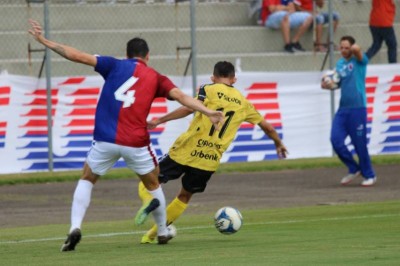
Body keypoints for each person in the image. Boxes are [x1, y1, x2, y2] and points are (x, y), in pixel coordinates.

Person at [28, 19, 224, 251]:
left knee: (87, 179)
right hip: (135, 142)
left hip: (105, 138)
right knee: (153, 183)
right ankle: (162, 231)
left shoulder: (112, 65)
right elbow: (182, 97)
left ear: (127, 54)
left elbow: (77, 55)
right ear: (148, 56)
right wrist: (208, 111)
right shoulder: (156, 77)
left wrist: (43, 40)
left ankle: (74, 227)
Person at [138, 61, 288, 243]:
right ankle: (152, 235)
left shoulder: (208, 88)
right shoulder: (244, 102)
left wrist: (160, 120)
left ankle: (149, 202)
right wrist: (278, 143)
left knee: (149, 180)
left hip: (187, 149)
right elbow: (267, 127)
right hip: (209, 160)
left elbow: (188, 107)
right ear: (234, 79)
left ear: (213, 77)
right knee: (185, 195)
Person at [321, 35, 377, 187]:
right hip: (343, 110)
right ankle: (353, 168)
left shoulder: (359, 61)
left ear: (352, 47)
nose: (344, 50)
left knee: (359, 144)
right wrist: (329, 85)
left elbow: (358, 51)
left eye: (347, 48)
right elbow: (338, 83)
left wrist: (354, 49)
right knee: (335, 140)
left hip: (358, 110)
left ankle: (369, 174)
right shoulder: (340, 64)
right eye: (342, 48)